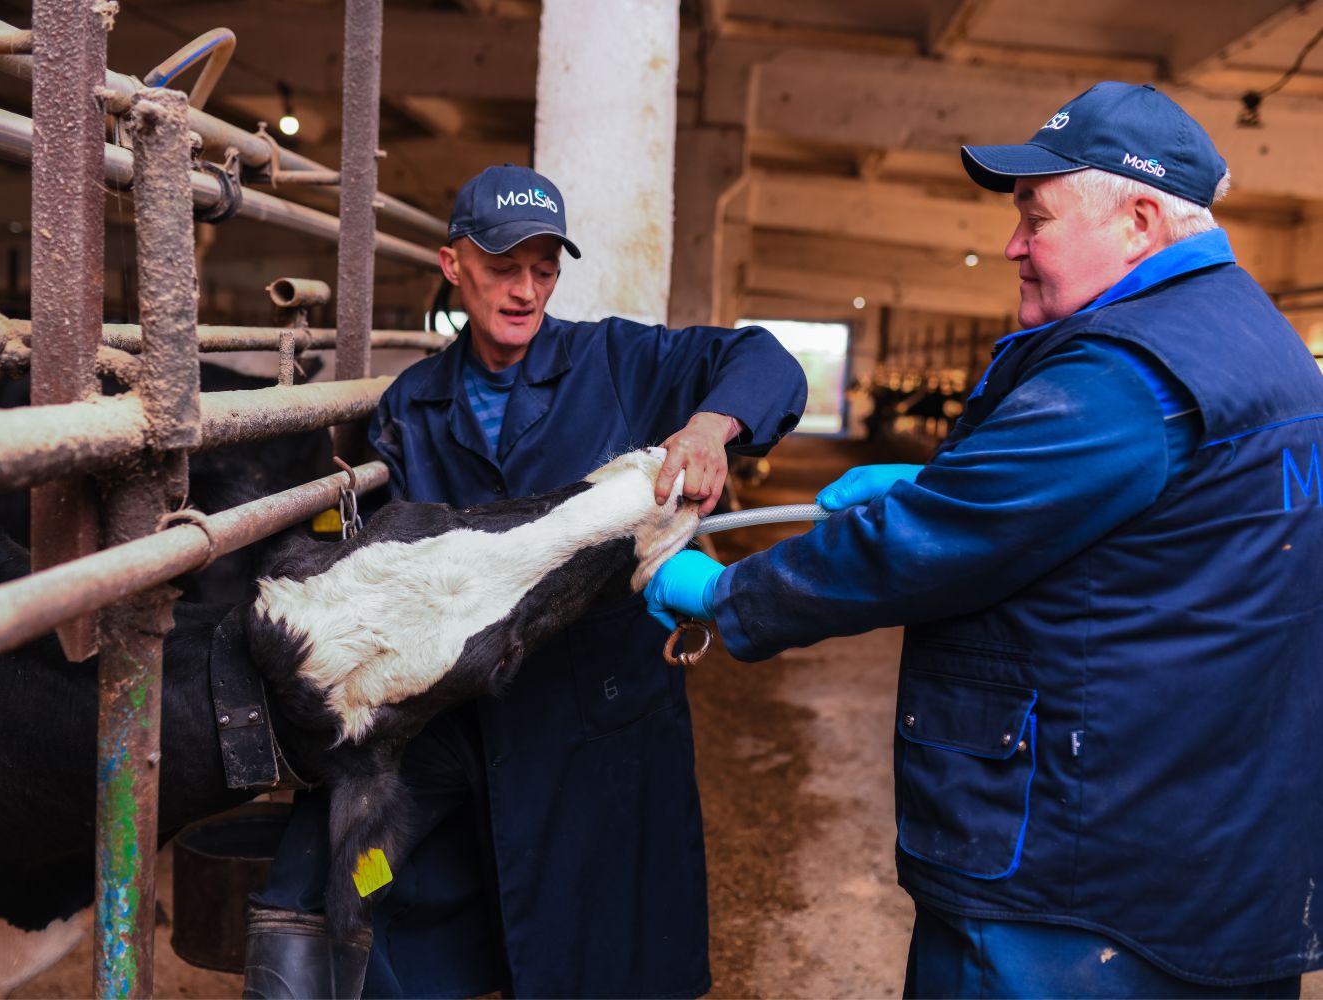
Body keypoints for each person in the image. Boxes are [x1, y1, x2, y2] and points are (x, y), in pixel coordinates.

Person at [646, 82, 1323, 998]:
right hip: (1212, 851)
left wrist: (726, 594)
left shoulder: (1128, 374)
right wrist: (955, 480)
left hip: (1078, 882)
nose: (1012, 245)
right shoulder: (1258, 344)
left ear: (1138, 222)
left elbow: (927, 542)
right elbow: (1139, 528)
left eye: (1035, 220)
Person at [245, 163, 807, 998]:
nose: (525, 290)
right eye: (504, 266)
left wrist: (707, 427)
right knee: (355, 890)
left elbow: (765, 359)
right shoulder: (412, 404)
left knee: (602, 950)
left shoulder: (617, 358)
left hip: (598, 713)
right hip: (459, 714)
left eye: (544, 269)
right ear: (453, 265)